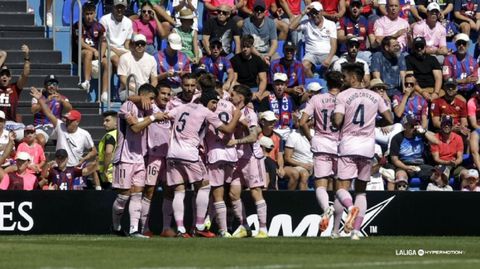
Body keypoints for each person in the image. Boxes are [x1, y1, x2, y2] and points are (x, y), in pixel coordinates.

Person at [166, 89, 241, 238]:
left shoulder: (183, 107)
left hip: (172, 153)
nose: (215, 106)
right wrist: (236, 116)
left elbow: (166, 116)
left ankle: (181, 229)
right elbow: (228, 129)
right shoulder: (206, 112)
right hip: (189, 154)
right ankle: (200, 225)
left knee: (179, 191)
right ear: (206, 100)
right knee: (205, 186)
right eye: (214, 102)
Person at [332, 63, 393, 240]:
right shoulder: (375, 96)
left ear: (353, 78)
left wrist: (340, 122)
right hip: (367, 147)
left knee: (341, 188)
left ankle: (350, 209)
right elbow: (389, 119)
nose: (343, 80)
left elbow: (337, 121)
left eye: (345, 77)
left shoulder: (343, 96)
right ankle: (357, 231)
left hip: (348, 145)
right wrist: (374, 123)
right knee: (361, 191)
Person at [110, 84, 167, 237]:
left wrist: (152, 116)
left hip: (139, 157)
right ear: (143, 96)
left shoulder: (148, 109)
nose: (153, 102)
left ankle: (134, 230)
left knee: (137, 193)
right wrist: (153, 118)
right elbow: (135, 128)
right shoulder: (127, 106)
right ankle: (116, 226)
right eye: (151, 98)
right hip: (124, 157)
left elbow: (160, 115)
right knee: (124, 195)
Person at [126, 83, 174, 237]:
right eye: (163, 93)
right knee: (149, 191)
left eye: (168, 94)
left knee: (169, 190)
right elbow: (128, 99)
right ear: (156, 95)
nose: (166, 97)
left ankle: (166, 227)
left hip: (170, 156)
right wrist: (141, 97)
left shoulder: (173, 107)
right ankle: (144, 227)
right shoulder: (150, 107)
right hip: (152, 155)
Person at [30, 87, 100, 190]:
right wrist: (40, 99)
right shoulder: (60, 125)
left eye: (70, 120)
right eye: (66, 119)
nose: (67, 122)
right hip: (59, 167)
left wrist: (84, 158)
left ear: (77, 122)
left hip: (74, 169)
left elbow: (93, 151)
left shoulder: (84, 134)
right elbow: (48, 113)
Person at [299, 70, 343, 234]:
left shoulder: (316, 99)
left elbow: (302, 122)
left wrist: (311, 139)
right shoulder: (344, 99)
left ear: (327, 83)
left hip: (321, 143)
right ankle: (336, 230)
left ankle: (326, 208)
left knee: (320, 185)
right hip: (339, 145)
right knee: (339, 188)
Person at [226, 84, 269, 238]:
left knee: (255, 192)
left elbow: (253, 137)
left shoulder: (250, 114)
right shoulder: (231, 108)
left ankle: (263, 229)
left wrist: (235, 142)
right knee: (233, 193)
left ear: (241, 97)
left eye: (234, 94)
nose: (231, 96)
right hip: (237, 158)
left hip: (251, 157)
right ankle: (244, 226)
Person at [202, 89, 238, 237]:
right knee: (224, 193)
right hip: (231, 154)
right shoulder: (230, 107)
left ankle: (223, 230)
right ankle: (210, 222)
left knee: (216, 193)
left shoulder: (205, 111)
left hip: (215, 154)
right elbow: (243, 125)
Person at [389, 114, 438, 190]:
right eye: (412, 125)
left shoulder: (420, 135)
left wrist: (424, 132)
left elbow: (436, 142)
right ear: (405, 126)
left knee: (438, 175)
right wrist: (407, 167)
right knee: (401, 178)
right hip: (403, 164)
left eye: (416, 124)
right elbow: (394, 160)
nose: (414, 127)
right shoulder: (397, 138)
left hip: (420, 164)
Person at [289, 1, 338, 78]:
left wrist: (328, 59)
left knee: (338, 65)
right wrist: (303, 13)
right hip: (311, 54)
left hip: (327, 54)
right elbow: (291, 27)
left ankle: (330, 85)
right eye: (312, 13)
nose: (314, 15)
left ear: (321, 12)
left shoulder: (331, 24)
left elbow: (334, 45)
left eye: (316, 13)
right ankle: (313, 82)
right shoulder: (306, 23)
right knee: (304, 66)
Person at [99, 0, 133, 103]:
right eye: (117, 7)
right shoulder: (104, 19)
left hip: (121, 49)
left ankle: (127, 87)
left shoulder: (128, 22)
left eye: (122, 7)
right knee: (116, 60)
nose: (119, 9)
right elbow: (103, 41)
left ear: (125, 8)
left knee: (132, 59)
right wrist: (117, 51)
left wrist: (129, 53)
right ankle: (122, 88)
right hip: (107, 47)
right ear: (113, 7)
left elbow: (127, 43)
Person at [31, 74, 73, 147]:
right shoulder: (38, 97)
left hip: (56, 126)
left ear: (57, 87)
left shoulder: (62, 97)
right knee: (41, 140)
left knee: (69, 137)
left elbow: (70, 109)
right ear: (45, 86)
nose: (52, 86)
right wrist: (46, 100)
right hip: (41, 126)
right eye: (49, 84)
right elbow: (33, 110)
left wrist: (62, 101)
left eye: (54, 84)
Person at [257, 73, 301, 139]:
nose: (279, 87)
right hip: (272, 131)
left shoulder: (290, 99)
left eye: (282, 84)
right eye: (277, 84)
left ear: (286, 86)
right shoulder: (266, 100)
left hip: (288, 130)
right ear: (273, 86)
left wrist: (295, 119)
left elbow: (295, 116)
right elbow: (261, 117)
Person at [0, 45, 30, 140]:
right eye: (2, 75)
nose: (4, 77)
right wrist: (3, 56)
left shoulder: (15, 88)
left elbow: (25, 75)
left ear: (10, 77)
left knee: (28, 135)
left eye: (7, 75)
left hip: (11, 124)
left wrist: (27, 57)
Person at [74, 2, 105, 92]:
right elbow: (80, 42)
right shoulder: (78, 25)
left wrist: (100, 55)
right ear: (83, 14)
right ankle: (87, 81)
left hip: (96, 54)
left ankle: (105, 92)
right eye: (87, 14)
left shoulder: (99, 27)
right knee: (89, 53)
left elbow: (104, 42)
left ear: (95, 14)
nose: (89, 16)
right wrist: (94, 50)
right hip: (81, 53)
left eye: (91, 13)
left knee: (107, 63)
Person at [117, 34, 158, 99]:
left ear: (145, 45)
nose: (140, 45)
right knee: (137, 98)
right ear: (133, 44)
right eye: (137, 43)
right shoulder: (124, 57)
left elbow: (154, 80)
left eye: (142, 44)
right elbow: (123, 79)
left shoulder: (151, 59)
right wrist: (137, 91)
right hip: (128, 90)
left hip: (145, 90)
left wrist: (149, 91)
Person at [230, 35, 268, 100]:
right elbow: (234, 79)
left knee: (267, 94)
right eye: (243, 47)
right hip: (240, 87)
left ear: (252, 47)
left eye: (248, 47)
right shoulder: (235, 60)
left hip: (253, 88)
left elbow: (263, 79)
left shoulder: (258, 60)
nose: (245, 49)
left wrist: (259, 93)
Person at [406, 36, 443, 101]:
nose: (419, 48)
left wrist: (436, 93)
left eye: (421, 46)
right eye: (417, 46)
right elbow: (410, 79)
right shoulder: (408, 59)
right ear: (413, 48)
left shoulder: (432, 59)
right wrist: (422, 91)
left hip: (432, 88)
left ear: (425, 47)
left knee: (443, 93)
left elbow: (438, 77)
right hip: (418, 89)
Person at [284, 111, 314, 191]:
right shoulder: (293, 136)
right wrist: (303, 164)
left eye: (307, 121)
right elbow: (287, 158)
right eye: (303, 121)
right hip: (298, 165)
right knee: (304, 174)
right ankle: (301, 201)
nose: (304, 123)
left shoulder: (315, 134)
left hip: (313, 164)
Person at [443, 33, 478, 98]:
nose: (461, 45)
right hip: (455, 90)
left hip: (471, 90)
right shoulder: (448, 59)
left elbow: (475, 78)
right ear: (456, 45)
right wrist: (464, 80)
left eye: (464, 43)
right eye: (459, 43)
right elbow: (446, 79)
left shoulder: (473, 61)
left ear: (468, 45)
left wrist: (472, 79)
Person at [337, 0, 372, 64]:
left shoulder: (366, 22)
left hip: (361, 52)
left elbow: (373, 42)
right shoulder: (343, 20)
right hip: (346, 52)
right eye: (353, 6)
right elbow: (339, 38)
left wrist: (378, 41)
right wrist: (348, 38)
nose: (355, 8)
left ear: (361, 8)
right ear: (349, 8)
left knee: (370, 57)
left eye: (357, 6)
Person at [258, 111, 285, 189]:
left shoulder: (278, 137)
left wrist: (280, 167)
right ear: (263, 122)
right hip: (259, 165)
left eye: (274, 121)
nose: (273, 123)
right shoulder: (256, 136)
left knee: (274, 185)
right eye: (270, 121)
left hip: (273, 166)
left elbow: (279, 155)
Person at [98, 111, 117, 190]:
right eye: (103, 121)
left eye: (107, 121)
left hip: (108, 175)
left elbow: (108, 152)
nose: (104, 123)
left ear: (116, 123)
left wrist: (105, 170)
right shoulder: (120, 134)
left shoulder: (109, 136)